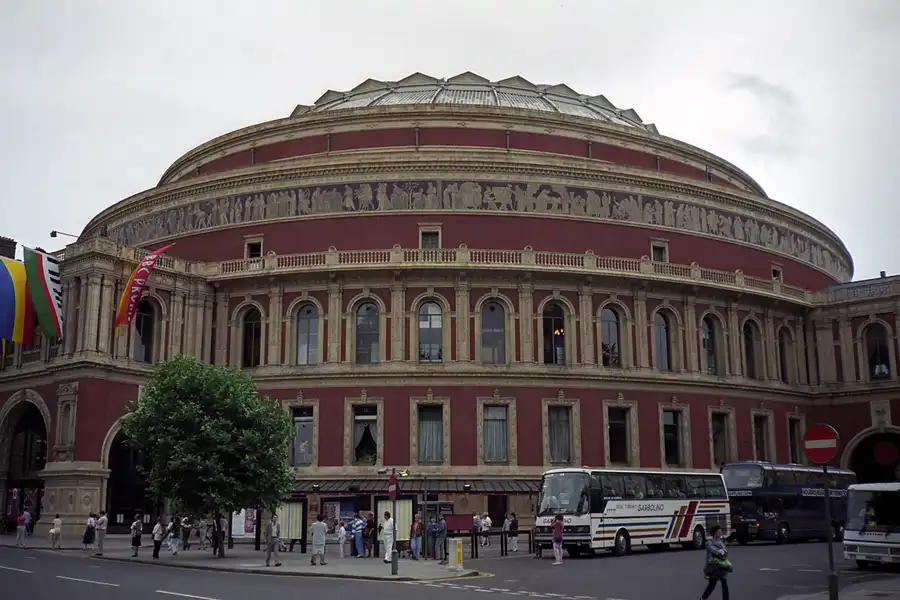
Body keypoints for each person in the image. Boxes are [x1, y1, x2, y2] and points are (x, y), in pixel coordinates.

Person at [700, 525, 731, 600]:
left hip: (722, 566)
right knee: (712, 585)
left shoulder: (721, 542)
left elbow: (725, 552)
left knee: (724, 584)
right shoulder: (710, 543)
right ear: (715, 533)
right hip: (714, 567)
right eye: (719, 532)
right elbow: (713, 550)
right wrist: (720, 552)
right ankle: (703, 598)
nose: (720, 533)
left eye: (721, 531)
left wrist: (724, 553)